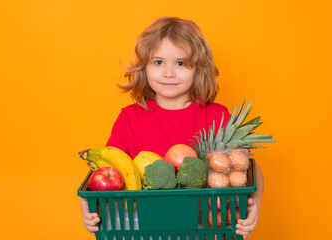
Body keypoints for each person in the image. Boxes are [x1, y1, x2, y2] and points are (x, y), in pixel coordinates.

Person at [80, 16, 264, 239]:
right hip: (143, 231)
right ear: (144, 66)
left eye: (180, 63)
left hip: (204, 231)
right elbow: (105, 171)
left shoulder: (217, 116)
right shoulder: (130, 118)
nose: (168, 73)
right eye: (158, 62)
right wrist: (87, 205)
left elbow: (248, 169)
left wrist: (254, 207)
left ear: (198, 68)